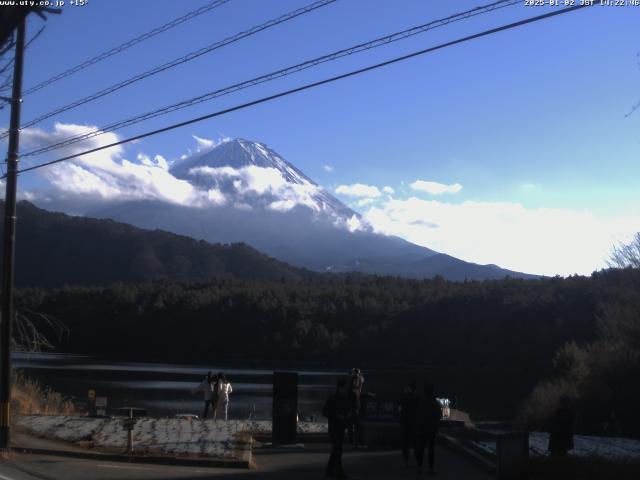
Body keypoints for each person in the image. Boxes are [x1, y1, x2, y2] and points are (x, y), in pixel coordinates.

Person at [323, 378, 351, 479]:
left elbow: (347, 411)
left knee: (336, 450)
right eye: (345, 387)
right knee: (337, 450)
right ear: (340, 388)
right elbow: (325, 412)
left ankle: (329, 470)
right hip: (334, 427)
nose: (346, 389)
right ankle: (339, 472)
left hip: (341, 427)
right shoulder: (333, 398)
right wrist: (336, 415)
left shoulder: (345, 399)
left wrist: (347, 417)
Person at [415, 382, 442, 475]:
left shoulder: (420, 401)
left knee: (421, 449)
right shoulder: (434, 402)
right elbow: (439, 414)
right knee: (431, 449)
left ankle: (419, 467)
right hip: (431, 429)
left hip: (421, 429)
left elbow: (417, 415)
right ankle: (430, 468)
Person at [399, 380, 419, 467]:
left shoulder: (404, 396)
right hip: (414, 423)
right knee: (416, 443)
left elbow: (400, 400)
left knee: (405, 443)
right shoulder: (417, 397)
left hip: (405, 423)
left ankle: (405, 461)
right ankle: (418, 461)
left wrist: (404, 392)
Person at [347, 367, 365, 447]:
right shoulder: (353, 389)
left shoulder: (356, 388)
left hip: (355, 408)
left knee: (354, 426)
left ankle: (353, 442)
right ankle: (356, 442)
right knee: (356, 426)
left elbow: (361, 381)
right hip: (353, 409)